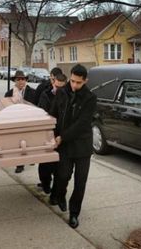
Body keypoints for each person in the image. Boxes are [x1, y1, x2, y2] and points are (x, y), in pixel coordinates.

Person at [49, 64, 97, 229]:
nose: (75, 85)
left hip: (82, 146)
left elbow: (83, 124)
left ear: (85, 81)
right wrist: (54, 135)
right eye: (73, 81)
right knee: (62, 176)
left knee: (80, 182)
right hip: (64, 145)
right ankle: (60, 195)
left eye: (79, 82)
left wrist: (63, 137)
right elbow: (53, 114)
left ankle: (74, 213)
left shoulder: (90, 98)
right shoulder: (62, 92)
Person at [37, 73, 67, 194]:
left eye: (61, 87)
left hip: (61, 133)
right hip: (48, 132)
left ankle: (56, 189)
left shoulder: (67, 96)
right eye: (56, 86)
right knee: (45, 163)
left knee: (59, 165)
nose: (58, 89)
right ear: (53, 82)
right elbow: (43, 112)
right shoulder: (46, 95)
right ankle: (45, 183)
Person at [4, 70, 36, 173]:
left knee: (30, 141)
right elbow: (6, 108)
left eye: (23, 79)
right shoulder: (9, 93)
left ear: (26, 80)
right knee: (18, 144)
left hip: (29, 120)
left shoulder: (33, 92)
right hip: (16, 121)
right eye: (18, 79)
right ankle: (20, 164)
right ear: (15, 81)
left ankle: (31, 158)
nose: (21, 81)